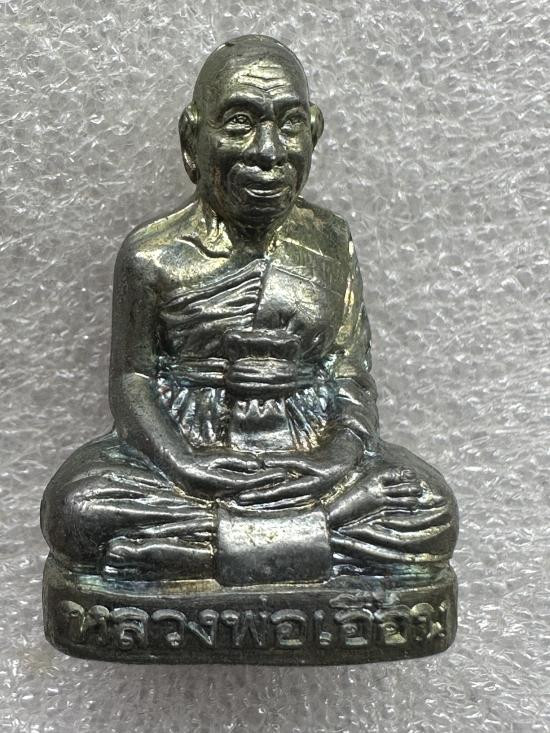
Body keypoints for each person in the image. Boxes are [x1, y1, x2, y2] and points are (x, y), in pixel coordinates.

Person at [41, 35, 457, 584]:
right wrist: (184, 464)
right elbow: (133, 380)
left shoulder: (330, 240)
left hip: (306, 451)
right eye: (240, 123)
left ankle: (191, 552)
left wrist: (334, 458)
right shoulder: (152, 255)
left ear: (314, 132)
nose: (268, 151)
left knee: (430, 506)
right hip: (191, 450)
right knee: (77, 508)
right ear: (192, 139)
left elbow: (348, 372)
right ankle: (324, 534)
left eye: (289, 124)